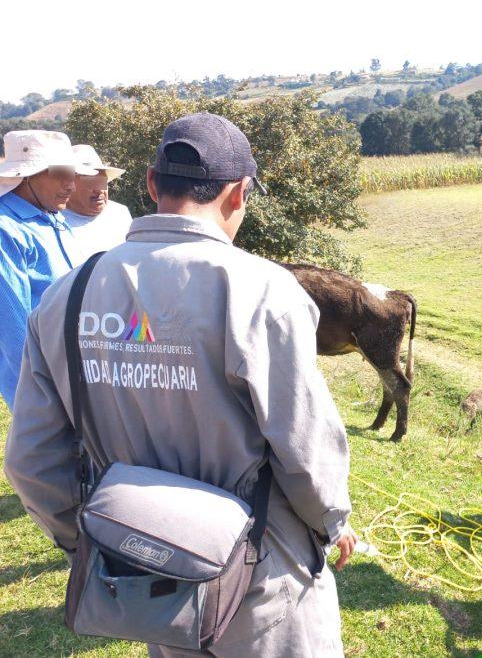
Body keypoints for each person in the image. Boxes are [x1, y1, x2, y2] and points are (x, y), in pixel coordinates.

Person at [5, 113, 355, 657]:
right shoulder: (263, 292)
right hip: (263, 588)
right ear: (238, 194)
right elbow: (308, 456)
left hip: (157, 588)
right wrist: (332, 525)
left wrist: (97, 540)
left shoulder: (66, 298)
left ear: (150, 185)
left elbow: (31, 461)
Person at [0, 130, 96, 407]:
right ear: (27, 174)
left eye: (73, 174)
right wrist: (44, 399)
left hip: (77, 374)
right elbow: (13, 326)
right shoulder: (7, 228)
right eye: (60, 173)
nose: (71, 185)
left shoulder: (52, 217)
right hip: (46, 389)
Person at [63, 144, 132, 264]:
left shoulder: (120, 213)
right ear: (70, 185)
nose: (99, 190)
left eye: (102, 182)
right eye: (91, 183)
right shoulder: (55, 221)